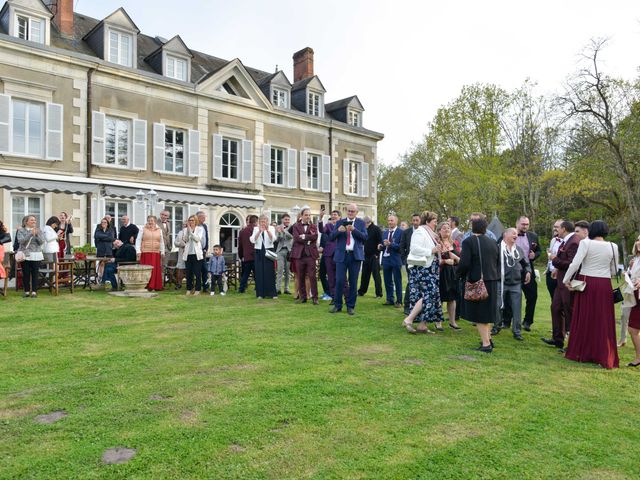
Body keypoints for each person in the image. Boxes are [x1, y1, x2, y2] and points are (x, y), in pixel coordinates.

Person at [563, 220, 619, 369]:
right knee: (602, 319)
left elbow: (575, 264)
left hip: (587, 283)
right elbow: (614, 271)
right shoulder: (613, 246)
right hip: (604, 285)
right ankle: (603, 353)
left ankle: (582, 352)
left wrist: (566, 279)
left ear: (591, 230)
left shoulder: (586, 244)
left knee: (585, 317)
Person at [456, 217, 500, 352]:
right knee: (487, 313)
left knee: (480, 314)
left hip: (477, 281)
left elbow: (464, 263)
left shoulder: (469, 242)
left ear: (472, 227)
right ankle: (488, 340)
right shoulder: (493, 242)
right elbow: (497, 262)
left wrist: (458, 275)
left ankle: (486, 344)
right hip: (492, 280)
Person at [402, 211, 444, 334]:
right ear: (427, 221)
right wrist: (432, 250)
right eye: (434, 221)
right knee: (427, 295)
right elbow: (414, 249)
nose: (436, 224)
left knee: (431, 296)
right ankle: (409, 319)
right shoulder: (420, 231)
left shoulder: (431, 234)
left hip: (431, 268)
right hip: (422, 269)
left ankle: (422, 325)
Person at [542, 221, 579, 350]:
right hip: (560, 280)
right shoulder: (566, 241)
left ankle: (573, 343)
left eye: (558, 228)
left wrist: (554, 259)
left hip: (568, 282)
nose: (556, 230)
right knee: (555, 307)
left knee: (569, 311)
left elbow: (572, 264)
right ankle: (557, 339)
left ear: (564, 229)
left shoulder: (574, 241)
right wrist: (557, 269)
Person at [494, 228, 531, 341]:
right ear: (505, 234)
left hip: (516, 283)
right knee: (498, 306)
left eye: (516, 234)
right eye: (513, 233)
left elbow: (526, 263)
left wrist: (528, 271)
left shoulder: (518, 249)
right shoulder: (497, 248)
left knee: (516, 308)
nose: (516, 235)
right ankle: (496, 327)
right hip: (500, 282)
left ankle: (517, 331)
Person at [330, 203, 367, 315]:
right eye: (349, 211)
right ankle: (338, 305)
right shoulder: (340, 222)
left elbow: (365, 237)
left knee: (353, 282)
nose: (350, 213)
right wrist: (338, 231)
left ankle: (350, 306)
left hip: (355, 256)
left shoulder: (360, 223)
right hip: (342, 255)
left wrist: (354, 230)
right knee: (340, 280)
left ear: (357, 212)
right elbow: (331, 237)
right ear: (346, 211)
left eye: (353, 211)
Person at [514, 216, 541, 331]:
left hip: (528, 270)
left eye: (527, 224)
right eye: (523, 224)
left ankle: (527, 321)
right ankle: (506, 320)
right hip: (513, 271)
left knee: (532, 296)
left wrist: (535, 255)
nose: (525, 226)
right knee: (510, 296)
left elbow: (539, 250)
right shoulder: (508, 234)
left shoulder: (533, 236)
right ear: (517, 224)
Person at [291, 208, 319, 304]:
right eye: (306, 215)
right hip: (299, 255)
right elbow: (296, 238)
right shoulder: (296, 226)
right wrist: (308, 238)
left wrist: (304, 236)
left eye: (309, 215)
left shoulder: (313, 226)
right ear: (301, 216)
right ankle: (303, 297)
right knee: (300, 276)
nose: (308, 217)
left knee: (312, 276)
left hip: (310, 255)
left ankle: (315, 298)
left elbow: (315, 237)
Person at [437, 221, 462, 330]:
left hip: (453, 273)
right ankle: (438, 322)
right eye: (444, 228)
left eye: (448, 228)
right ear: (439, 231)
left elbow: (459, 259)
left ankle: (452, 322)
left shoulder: (455, 243)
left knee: (452, 298)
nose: (447, 230)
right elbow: (434, 260)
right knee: (440, 298)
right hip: (441, 273)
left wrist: (455, 259)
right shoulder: (437, 243)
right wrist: (445, 261)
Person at [16, 215, 44, 298]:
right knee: (26, 274)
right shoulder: (21, 230)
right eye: (32, 220)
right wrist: (30, 234)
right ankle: (27, 291)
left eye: (34, 220)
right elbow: (21, 241)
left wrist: (37, 234)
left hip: (36, 254)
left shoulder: (39, 230)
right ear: (26, 222)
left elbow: (41, 242)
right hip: (25, 255)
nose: (34, 222)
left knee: (35, 274)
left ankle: (34, 292)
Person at [250, 214, 278, 299]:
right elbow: (252, 240)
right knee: (259, 272)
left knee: (269, 272)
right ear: (259, 222)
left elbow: (273, 239)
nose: (263, 223)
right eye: (262, 221)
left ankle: (272, 293)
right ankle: (260, 294)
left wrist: (267, 230)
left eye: (265, 221)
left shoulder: (271, 228)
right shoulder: (255, 229)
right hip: (259, 251)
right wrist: (259, 231)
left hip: (268, 250)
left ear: (267, 221)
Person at [135, 215, 165, 291]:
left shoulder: (159, 230)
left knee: (155, 270)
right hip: (146, 252)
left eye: (152, 220)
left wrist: (162, 251)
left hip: (156, 252)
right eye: (149, 220)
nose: (150, 222)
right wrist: (138, 251)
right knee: (146, 270)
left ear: (155, 222)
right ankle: (146, 285)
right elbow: (138, 240)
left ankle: (155, 286)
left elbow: (161, 242)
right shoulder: (142, 229)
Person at [380, 214, 403, 307]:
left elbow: (401, 247)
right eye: (389, 220)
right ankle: (390, 299)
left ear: (396, 221)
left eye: (391, 220)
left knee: (397, 280)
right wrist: (380, 246)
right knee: (387, 280)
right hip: (386, 259)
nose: (389, 222)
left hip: (396, 259)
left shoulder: (401, 232)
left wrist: (391, 244)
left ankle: (399, 301)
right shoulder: (385, 233)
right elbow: (383, 245)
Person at [624, 235, 640, 366]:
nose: (639, 242)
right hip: (636, 297)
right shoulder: (635, 259)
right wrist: (628, 273)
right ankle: (639, 357)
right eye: (638, 239)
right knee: (632, 329)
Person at [400, 214, 421, 315]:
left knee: (419, 284)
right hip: (410, 262)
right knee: (411, 282)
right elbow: (402, 246)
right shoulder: (406, 232)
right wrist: (405, 259)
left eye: (417, 220)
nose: (415, 222)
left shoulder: (423, 232)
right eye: (414, 220)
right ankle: (407, 305)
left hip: (421, 262)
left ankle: (417, 306)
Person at [179, 215, 205, 295]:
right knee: (188, 273)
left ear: (196, 221)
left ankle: (197, 289)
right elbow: (185, 240)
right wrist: (187, 232)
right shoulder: (185, 230)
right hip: (188, 254)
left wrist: (191, 232)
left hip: (197, 255)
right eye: (189, 220)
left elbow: (197, 239)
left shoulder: (200, 229)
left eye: (192, 220)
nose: (191, 222)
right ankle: (188, 289)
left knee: (197, 273)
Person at [358, 216, 383, 298]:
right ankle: (362, 291)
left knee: (376, 275)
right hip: (365, 255)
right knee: (364, 275)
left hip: (374, 255)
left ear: (368, 222)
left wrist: (377, 253)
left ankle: (379, 293)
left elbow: (380, 241)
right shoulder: (364, 229)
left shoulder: (376, 229)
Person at [238, 215, 257, 293]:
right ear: (256, 222)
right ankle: (258, 288)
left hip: (246, 256)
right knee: (257, 274)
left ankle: (241, 289)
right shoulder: (256, 230)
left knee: (245, 274)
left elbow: (240, 245)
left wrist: (241, 255)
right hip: (255, 255)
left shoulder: (243, 231)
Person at [545, 220, 563, 302]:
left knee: (560, 301)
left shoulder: (568, 241)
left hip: (560, 274)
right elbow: (551, 256)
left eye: (557, 227)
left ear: (564, 228)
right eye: (554, 227)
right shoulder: (553, 240)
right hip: (550, 273)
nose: (554, 229)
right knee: (553, 300)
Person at [275, 214, 293, 295]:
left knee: (287, 271)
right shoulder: (278, 227)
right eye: (286, 219)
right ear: (282, 220)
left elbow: (291, 237)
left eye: (288, 219)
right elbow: (277, 240)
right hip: (280, 251)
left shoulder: (292, 227)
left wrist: (284, 231)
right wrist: (279, 233)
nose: (287, 221)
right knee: (280, 270)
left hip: (289, 251)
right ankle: (278, 288)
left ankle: (286, 288)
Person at [196, 211, 210, 292]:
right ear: (198, 217)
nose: (204, 219)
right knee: (197, 269)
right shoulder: (195, 225)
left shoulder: (204, 226)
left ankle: (205, 287)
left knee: (204, 269)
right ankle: (197, 287)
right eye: (203, 217)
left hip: (203, 250)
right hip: (196, 250)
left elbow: (206, 238)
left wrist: (206, 248)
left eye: (205, 217)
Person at [173, 221, 188, 289]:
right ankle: (179, 284)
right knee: (180, 269)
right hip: (181, 253)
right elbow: (175, 242)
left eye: (186, 225)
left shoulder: (191, 232)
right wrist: (180, 244)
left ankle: (190, 284)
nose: (184, 226)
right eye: (183, 225)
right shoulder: (180, 232)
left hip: (189, 253)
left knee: (189, 269)